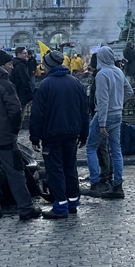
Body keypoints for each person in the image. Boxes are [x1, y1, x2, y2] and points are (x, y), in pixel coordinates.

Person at [0, 50, 41, 221]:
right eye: (10, 64)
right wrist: (14, 131)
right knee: (15, 173)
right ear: (2, 65)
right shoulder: (6, 85)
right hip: (4, 139)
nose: (12, 67)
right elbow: (16, 112)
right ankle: (25, 209)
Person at [28, 49, 89, 219]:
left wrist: (34, 136)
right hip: (71, 134)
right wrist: (84, 134)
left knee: (55, 170)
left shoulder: (45, 85)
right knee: (70, 168)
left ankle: (60, 206)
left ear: (47, 66)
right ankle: (72, 202)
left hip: (52, 135)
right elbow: (84, 111)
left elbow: (37, 114)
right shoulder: (76, 83)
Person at [88, 46, 131, 199]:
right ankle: (118, 185)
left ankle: (95, 182)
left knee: (90, 147)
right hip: (117, 114)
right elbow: (130, 92)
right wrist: (119, 103)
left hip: (104, 116)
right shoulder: (119, 71)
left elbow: (103, 101)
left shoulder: (101, 74)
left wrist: (102, 123)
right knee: (116, 150)